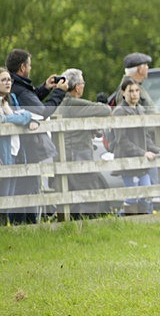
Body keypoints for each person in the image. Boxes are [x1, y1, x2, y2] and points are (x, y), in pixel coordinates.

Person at [7, 48, 67, 223]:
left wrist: (45, 88)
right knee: (28, 188)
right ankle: (28, 226)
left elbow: (29, 102)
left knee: (23, 187)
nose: (30, 68)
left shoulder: (17, 86)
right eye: (29, 65)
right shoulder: (21, 90)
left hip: (20, 149)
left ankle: (24, 226)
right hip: (27, 148)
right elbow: (42, 112)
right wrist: (59, 92)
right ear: (23, 67)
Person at [53, 68, 112, 218]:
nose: (83, 86)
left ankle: (72, 230)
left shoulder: (60, 102)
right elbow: (105, 109)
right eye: (83, 83)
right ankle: (89, 227)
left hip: (64, 154)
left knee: (70, 196)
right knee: (89, 191)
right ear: (78, 86)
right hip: (78, 153)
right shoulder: (73, 103)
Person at [112, 77, 160, 214]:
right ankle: (124, 219)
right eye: (131, 91)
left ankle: (144, 220)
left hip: (142, 162)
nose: (134, 94)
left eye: (137, 91)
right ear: (123, 93)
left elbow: (145, 136)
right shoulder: (119, 112)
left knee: (146, 193)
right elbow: (122, 141)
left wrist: (156, 149)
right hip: (128, 160)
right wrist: (143, 153)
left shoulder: (141, 109)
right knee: (132, 196)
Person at [0, 68, 36, 223]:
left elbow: (26, 115)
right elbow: (19, 119)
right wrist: (16, 117)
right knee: (3, 194)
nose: (8, 83)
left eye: (9, 80)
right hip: (3, 154)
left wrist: (11, 116)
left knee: (10, 195)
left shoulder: (10, 100)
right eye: (3, 80)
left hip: (15, 152)